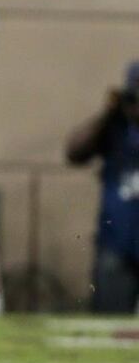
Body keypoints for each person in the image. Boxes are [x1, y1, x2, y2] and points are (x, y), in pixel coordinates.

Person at [66, 61, 139, 314]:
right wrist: (108, 114)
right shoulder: (114, 128)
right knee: (109, 321)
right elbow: (74, 152)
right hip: (117, 242)